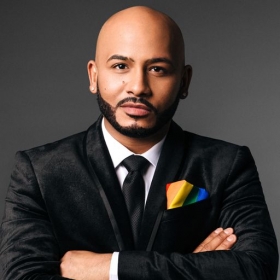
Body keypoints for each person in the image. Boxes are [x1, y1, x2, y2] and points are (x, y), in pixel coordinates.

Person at [0, 5, 278, 280]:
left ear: (184, 81)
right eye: (121, 66)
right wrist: (192, 268)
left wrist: (110, 268)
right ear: (94, 76)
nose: (138, 86)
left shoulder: (227, 165)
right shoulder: (38, 171)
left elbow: (256, 269)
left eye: (157, 69)